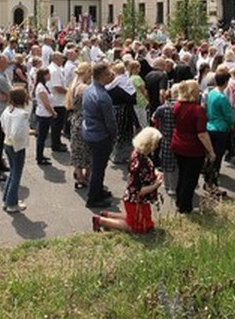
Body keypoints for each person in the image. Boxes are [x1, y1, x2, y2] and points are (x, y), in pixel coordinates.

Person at [92, 127, 163, 234]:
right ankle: (101, 221)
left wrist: (155, 172)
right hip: (135, 199)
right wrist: (155, 185)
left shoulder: (138, 154)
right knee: (138, 227)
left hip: (134, 198)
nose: (157, 146)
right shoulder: (140, 164)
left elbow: (149, 168)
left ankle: (107, 215)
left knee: (141, 221)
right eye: (156, 144)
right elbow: (138, 190)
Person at [171, 80, 214, 214]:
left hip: (178, 143)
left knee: (182, 175)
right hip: (193, 147)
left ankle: (179, 202)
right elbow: (202, 134)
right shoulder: (197, 110)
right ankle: (185, 207)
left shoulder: (177, 105)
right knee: (190, 179)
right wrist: (211, 151)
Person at [82, 63, 118, 209]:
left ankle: (98, 190)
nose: (112, 76)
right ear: (102, 76)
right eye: (109, 74)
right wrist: (114, 136)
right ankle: (93, 198)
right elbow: (110, 123)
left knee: (97, 166)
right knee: (98, 168)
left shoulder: (89, 89)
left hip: (90, 132)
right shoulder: (103, 97)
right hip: (100, 136)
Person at [202, 70, 233, 197]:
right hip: (220, 129)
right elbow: (228, 116)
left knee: (210, 156)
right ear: (226, 82)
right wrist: (231, 125)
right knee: (217, 159)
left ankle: (207, 181)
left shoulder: (211, 93)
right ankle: (212, 185)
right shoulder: (222, 97)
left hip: (210, 126)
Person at [0, 85, 30, 212]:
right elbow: (17, 132)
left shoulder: (8, 110)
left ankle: (7, 199)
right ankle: (12, 203)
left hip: (7, 143)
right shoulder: (22, 114)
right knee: (16, 174)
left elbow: (2, 124)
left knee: (12, 172)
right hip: (17, 146)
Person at [66, 62, 92, 189]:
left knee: (77, 149)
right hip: (84, 119)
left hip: (75, 119)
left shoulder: (73, 85)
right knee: (87, 149)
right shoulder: (84, 87)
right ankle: (86, 176)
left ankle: (78, 173)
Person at [33, 67, 56, 166]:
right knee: (41, 137)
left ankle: (40, 155)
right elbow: (46, 103)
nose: (50, 75)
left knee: (43, 136)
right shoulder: (41, 88)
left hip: (45, 114)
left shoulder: (43, 86)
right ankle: (39, 157)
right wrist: (53, 112)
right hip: (44, 114)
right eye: (48, 74)